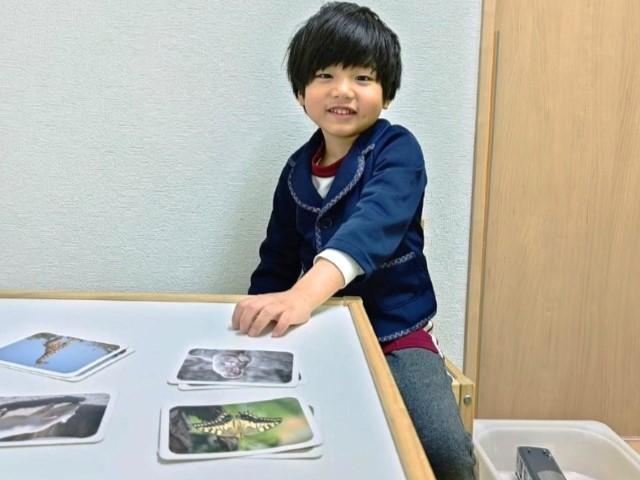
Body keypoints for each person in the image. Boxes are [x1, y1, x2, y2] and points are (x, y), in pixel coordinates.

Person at [231, 2, 475, 478]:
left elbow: (372, 226)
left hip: (396, 332)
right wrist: (259, 322)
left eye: (362, 77)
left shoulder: (398, 149)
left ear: (386, 94)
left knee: (442, 448)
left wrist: (303, 295)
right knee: (288, 436)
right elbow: (276, 261)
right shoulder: (295, 171)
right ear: (301, 92)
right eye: (325, 75)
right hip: (325, 326)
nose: (342, 90)